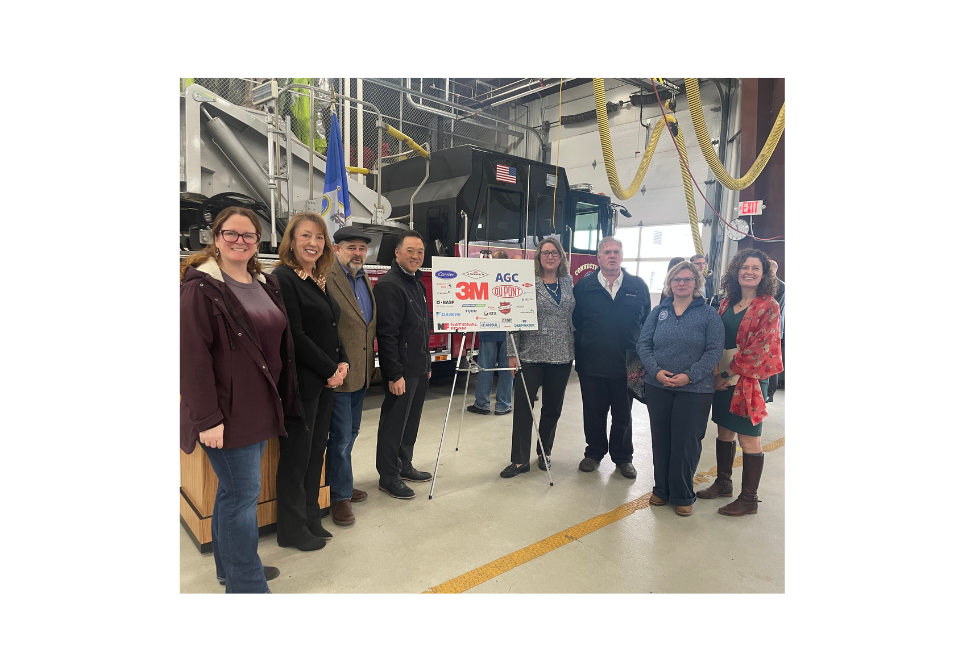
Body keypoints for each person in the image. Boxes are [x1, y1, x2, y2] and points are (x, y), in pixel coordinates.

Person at [179, 206, 300, 593]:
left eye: (249, 236)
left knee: (233, 493)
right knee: (242, 498)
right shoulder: (199, 288)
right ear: (215, 239)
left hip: (259, 406)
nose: (240, 241)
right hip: (226, 413)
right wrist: (208, 418)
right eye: (231, 234)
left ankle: (229, 569)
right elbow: (191, 357)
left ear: (257, 242)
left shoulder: (263, 282)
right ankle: (246, 584)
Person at [272, 213, 348, 551]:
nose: (313, 243)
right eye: (306, 236)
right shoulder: (283, 278)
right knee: (296, 458)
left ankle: (311, 516)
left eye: (319, 237)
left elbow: (332, 326)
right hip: (302, 383)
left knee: (316, 452)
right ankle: (291, 528)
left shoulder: (318, 277)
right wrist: (330, 368)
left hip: (325, 381)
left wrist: (342, 361)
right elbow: (295, 335)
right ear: (291, 240)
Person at [696, 249, 782, 516]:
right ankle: (723, 483)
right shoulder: (725, 303)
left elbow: (759, 349)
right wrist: (715, 373)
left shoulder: (769, 306)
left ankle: (749, 499)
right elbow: (716, 342)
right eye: (745, 267)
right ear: (736, 271)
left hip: (748, 381)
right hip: (722, 377)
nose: (749, 272)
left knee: (749, 440)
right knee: (724, 432)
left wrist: (724, 375)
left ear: (764, 274)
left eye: (756, 268)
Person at [636, 261, 724, 516]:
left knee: (686, 442)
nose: (682, 283)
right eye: (677, 279)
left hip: (695, 390)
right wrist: (655, 371)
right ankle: (661, 489)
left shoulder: (709, 314)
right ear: (669, 283)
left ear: (696, 283)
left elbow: (713, 351)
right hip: (658, 386)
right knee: (661, 439)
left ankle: (683, 494)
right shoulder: (659, 311)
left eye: (687, 279)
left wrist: (689, 376)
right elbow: (643, 344)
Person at [573, 236, 651, 478]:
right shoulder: (584, 287)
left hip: (631, 363)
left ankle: (623, 457)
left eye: (616, 251)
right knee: (593, 412)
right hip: (591, 361)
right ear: (598, 258)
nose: (612, 256)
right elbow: (576, 322)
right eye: (607, 252)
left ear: (622, 255)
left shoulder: (637, 286)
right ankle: (594, 452)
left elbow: (646, 322)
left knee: (624, 414)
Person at [499, 239, 576, 477]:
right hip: (530, 355)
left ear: (561, 257)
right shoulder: (527, 283)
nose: (550, 256)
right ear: (538, 257)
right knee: (523, 408)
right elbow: (513, 317)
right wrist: (512, 353)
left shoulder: (569, 282)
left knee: (553, 408)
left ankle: (545, 451)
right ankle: (520, 460)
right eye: (545, 253)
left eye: (555, 253)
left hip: (562, 356)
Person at [323, 226, 377, 526]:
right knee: (341, 438)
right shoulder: (328, 278)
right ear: (336, 248)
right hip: (339, 374)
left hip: (362, 373)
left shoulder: (363, 277)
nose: (357, 253)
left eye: (362, 248)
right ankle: (338, 497)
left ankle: (339, 483)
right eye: (351, 247)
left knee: (351, 434)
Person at [373, 230, 432, 499]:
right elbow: (387, 335)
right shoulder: (389, 285)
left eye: (420, 252)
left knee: (411, 422)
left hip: (418, 366)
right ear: (397, 253)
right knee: (394, 423)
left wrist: (427, 361)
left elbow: (422, 327)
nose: (416, 256)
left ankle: (404, 464)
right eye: (410, 251)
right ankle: (388, 476)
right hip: (401, 371)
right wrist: (394, 373)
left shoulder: (416, 283)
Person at [468, 250, 514, 416]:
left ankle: (482, 404)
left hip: (488, 329)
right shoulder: (512, 278)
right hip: (509, 331)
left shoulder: (485, 277)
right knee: (507, 369)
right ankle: (503, 405)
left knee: (485, 368)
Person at [766, 259, 786, 402]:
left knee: (771, 358)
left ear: (774, 270)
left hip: (772, 324)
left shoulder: (779, 285)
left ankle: (770, 392)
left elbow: (774, 306)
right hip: (771, 323)